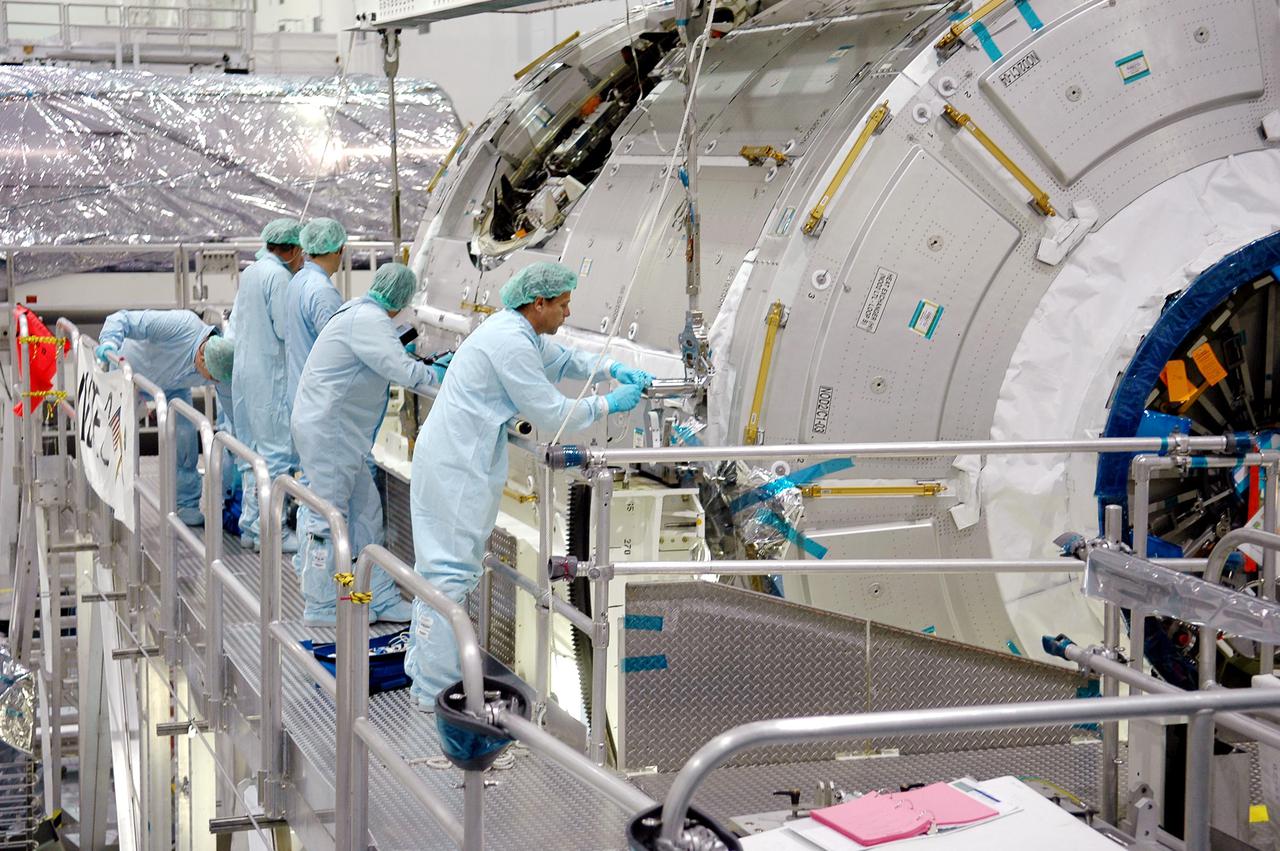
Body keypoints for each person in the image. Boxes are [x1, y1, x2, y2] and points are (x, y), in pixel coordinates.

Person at [403, 261, 652, 706]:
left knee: (441, 572)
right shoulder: (509, 342)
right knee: (449, 577)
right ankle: (435, 694)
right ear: (538, 303)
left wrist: (613, 368)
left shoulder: (517, 332)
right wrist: (607, 404)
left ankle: (424, 674)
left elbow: (562, 360)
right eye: (562, 304)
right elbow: (552, 412)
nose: (568, 312)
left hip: (455, 459)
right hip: (456, 467)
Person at [290, 263, 442, 625]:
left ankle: (376, 596)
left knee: (365, 514)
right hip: (331, 433)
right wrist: (440, 375)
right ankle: (323, 603)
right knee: (328, 516)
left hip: (337, 432)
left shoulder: (361, 313)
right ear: (402, 297)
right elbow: (401, 370)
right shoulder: (369, 320)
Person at [95, 310, 235, 526]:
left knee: (185, 438)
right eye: (208, 377)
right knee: (117, 443)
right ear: (201, 356)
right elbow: (121, 318)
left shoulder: (219, 365)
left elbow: (232, 411)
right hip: (125, 374)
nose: (208, 381)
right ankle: (111, 501)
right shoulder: (182, 325)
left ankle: (185, 504)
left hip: (172, 387)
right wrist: (109, 343)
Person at [230, 218, 304, 554]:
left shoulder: (251, 272)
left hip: (244, 372)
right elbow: (285, 329)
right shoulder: (279, 277)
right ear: (292, 248)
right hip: (269, 375)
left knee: (250, 453)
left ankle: (250, 526)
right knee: (274, 454)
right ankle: (271, 534)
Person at [285, 218, 346, 410]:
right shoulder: (322, 292)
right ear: (338, 250)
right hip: (317, 401)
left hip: (300, 393)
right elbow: (339, 349)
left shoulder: (299, 280)